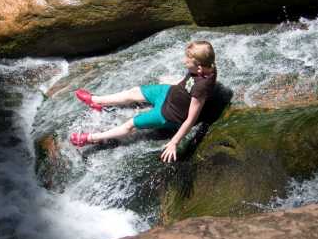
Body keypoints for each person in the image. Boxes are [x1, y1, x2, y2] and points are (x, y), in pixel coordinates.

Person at [70, 40, 217, 163]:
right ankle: (96, 100)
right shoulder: (208, 66)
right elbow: (190, 80)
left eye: (187, 60)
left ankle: (90, 138)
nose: (184, 61)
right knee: (133, 92)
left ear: (199, 69)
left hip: (168, 113)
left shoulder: (201, 89)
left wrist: (174, 142)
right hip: (168, 92)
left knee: (130, 125)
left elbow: (190, 120)